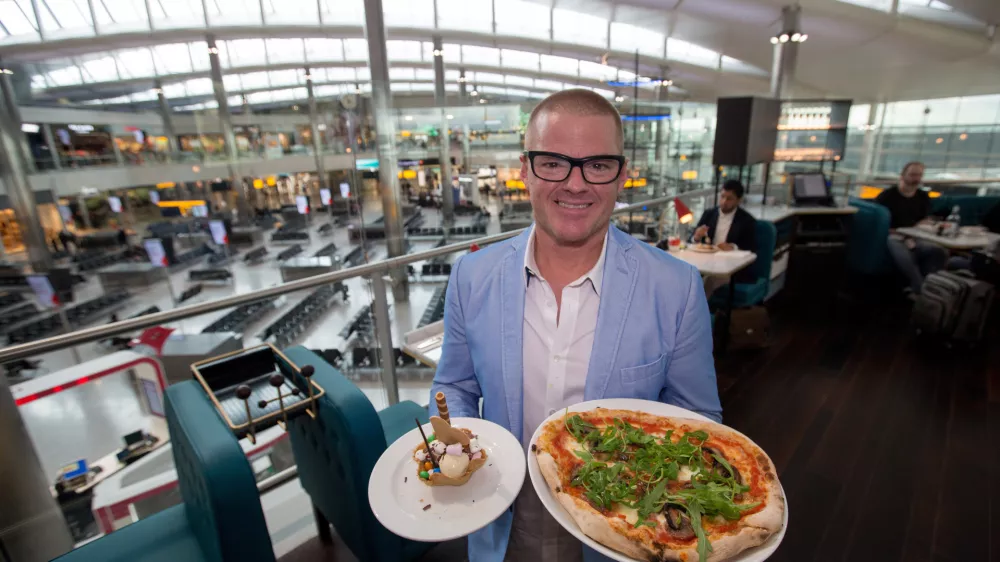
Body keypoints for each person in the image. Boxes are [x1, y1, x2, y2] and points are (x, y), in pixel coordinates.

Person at [429, 88, 722, 562]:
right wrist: (459, 444)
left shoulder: (677, 288)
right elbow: (454, 385)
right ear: (524, 169)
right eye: (553, 162)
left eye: (598, 165)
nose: (576, 183)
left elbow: (700, 427)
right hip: (503, 524)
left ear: (622, 175)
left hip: (625, 538)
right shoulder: (471, 275)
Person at [876, 162, 947, 294]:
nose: (916, 179)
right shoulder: (887, 196)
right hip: (893, 235)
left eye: (919, 175)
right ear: (903, 175)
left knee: (938, 250)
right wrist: (900, 232)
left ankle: (931, 287)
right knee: (896, 244)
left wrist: (927, 224)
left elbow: (925, 218)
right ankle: (919, 287)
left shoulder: (923, 196)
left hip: (917, 236)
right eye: (913, 175)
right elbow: (879, 224)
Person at [690, 179, 758, 293]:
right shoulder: (709, 214)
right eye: (722, 197)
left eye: (729, 198)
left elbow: (751, 248)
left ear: (739, 200)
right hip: (706, 260)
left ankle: (699, 310)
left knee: (709, 281)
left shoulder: (747, 220)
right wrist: (696, 236)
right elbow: (692, 240)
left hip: (730, 267)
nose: (724, 201)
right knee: (687, 276)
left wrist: (733, 247)